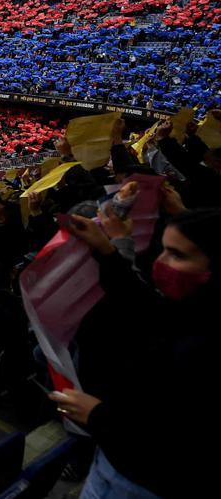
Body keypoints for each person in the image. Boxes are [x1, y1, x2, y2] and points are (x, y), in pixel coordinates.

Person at [55, 207, 221, 498]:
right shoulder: (192, 309)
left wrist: (97, 416)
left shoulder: (201, 350)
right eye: (163, 249)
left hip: (140, 484)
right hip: (117, 464)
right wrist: (107, 250)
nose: (160, 261)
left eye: (177, 255)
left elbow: (178, 440)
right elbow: (147, 310)